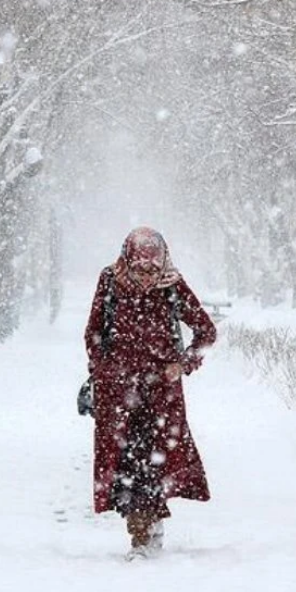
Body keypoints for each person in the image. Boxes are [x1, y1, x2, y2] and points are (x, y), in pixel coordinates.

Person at [83, 226, 217, 559]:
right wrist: (103, 371)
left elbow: (206, 332)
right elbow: (94, 332)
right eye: (140, 269)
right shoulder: (110, 281)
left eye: (152, 269)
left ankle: (149, 528)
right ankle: (140, 534)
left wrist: (182, 365)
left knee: (155, 463)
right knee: (127, 465)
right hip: (119, 394)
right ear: (127, 260)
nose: (146, 277)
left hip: (162, 396)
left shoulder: (172, 286)